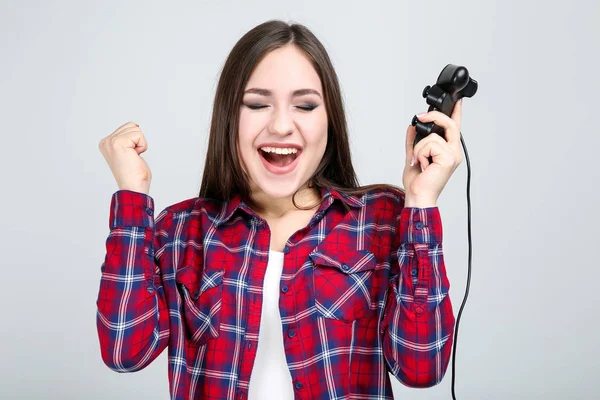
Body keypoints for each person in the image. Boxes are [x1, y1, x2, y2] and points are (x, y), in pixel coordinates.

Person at [97, 19, 462, 400]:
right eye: (257, 104)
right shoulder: (181, 230)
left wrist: (421, 202)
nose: (282, 125)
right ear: (229, 118)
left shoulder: (381, 220)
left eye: (305, 105)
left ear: (329, 120)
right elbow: (125, 351)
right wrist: (132, 196)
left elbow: (422, 368)